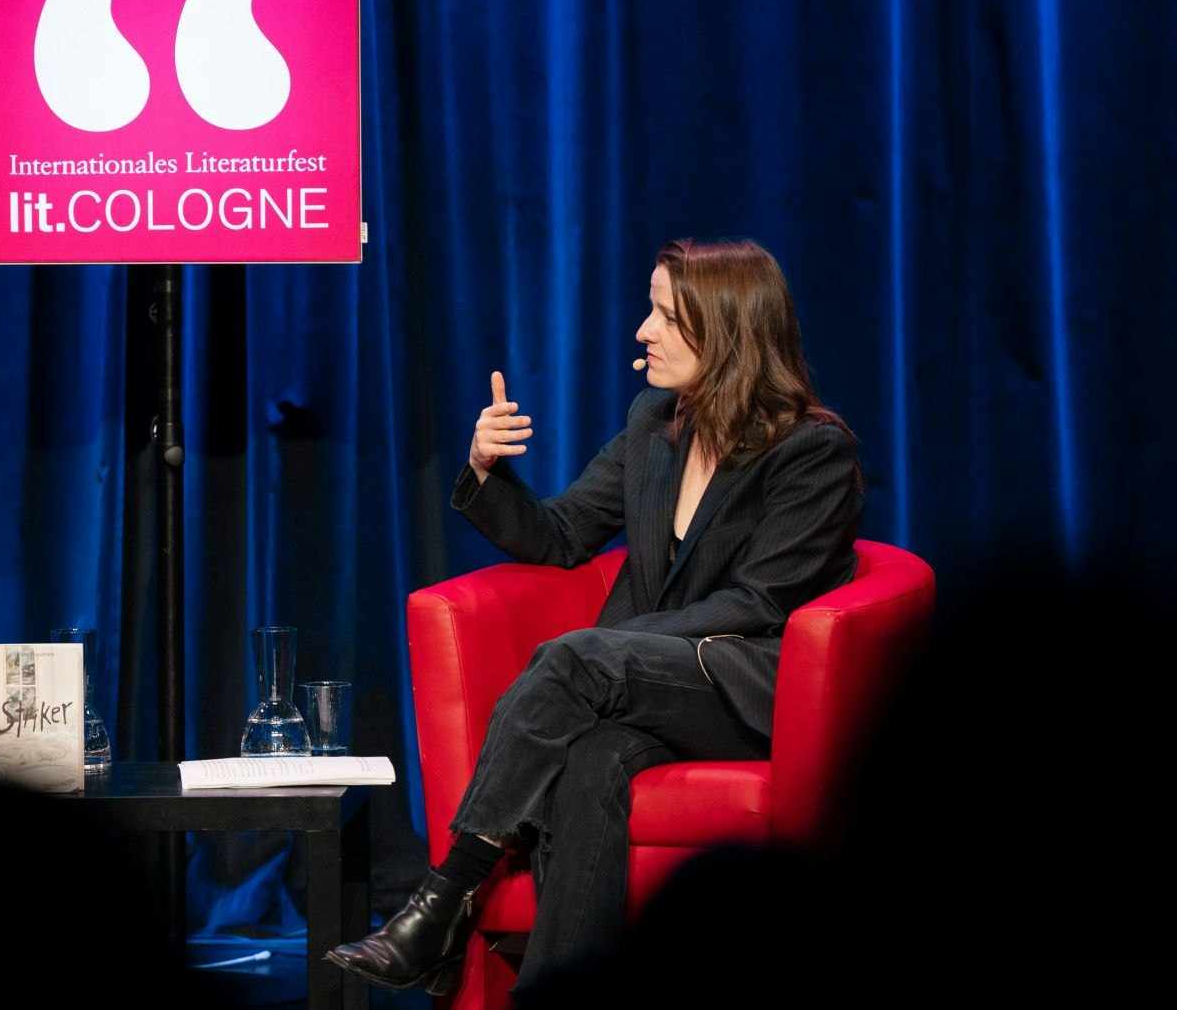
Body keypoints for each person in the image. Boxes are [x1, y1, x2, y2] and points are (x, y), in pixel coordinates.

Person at [325, 238, 863, 996]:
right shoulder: (655, 425)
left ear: (729, 330)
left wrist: (609, 646)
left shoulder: (813, 452)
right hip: (640, 686)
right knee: (588, 764)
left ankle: (443, 899)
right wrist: (486, 470)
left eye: (666, 315)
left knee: (577, 659)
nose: (643, 330)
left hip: (741, 689)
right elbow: (562, 531)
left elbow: (757, 604)